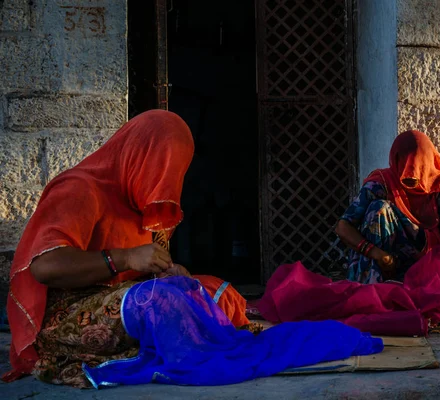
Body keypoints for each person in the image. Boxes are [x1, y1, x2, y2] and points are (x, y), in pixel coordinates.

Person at [3, 110, 254, 387]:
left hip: (124, 297)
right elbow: (45, 266)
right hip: (68, 312)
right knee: (163, 302)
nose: (162, 181)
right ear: (136, 155)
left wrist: (169, 273)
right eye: (156, 167)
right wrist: (125, 258)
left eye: (171, 171)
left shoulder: (143, 201)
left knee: (212, 291)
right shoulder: (79, 189)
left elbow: (141, 279)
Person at [335, 130, 440, 299]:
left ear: (428, 162)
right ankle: (376, 291)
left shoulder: (439, 183)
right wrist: (377, 254)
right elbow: (343, 227)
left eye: (419, 166)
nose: (412, 174)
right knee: (378, 209)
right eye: (406, 166)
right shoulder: (382, 183)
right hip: (391, 261)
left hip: (432, 257)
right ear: (396, 160)